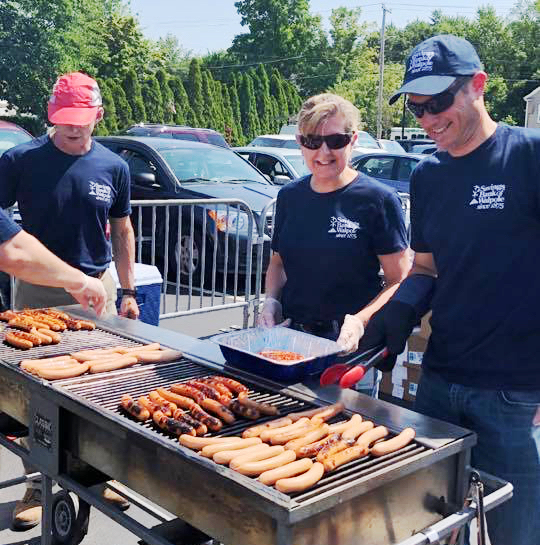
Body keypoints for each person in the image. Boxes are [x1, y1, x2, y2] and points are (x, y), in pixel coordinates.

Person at [349, 35, 540, 545]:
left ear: (478, 86)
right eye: (417, 107)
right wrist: (400, 310)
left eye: (438, 103)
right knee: (430, 527)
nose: (428, 119)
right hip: (439, 380)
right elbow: (427, 266)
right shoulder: (428, 174)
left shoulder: (529, 157)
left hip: (514, 393)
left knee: (514, 533)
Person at [0, 71, 139, 529]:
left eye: (80, 119)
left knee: (98, 388)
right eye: (63, 120)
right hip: (38, 288)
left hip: (98, 288)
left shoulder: (114, 167)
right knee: (34, 391)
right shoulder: (20, 160)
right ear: (50, 116)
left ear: (98, 115)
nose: (72, 128)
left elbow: (121, 230)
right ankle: (35, 485)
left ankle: (94, 476)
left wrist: (129, 289)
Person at [259, 93, 410, 395]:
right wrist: (271, 300)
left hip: (347, 351)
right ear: (300, 142)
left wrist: (361, 321)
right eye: (312, 141)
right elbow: (278, 262)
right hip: (292, 342)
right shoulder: (290, 197)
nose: (323, 152)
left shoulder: (377, 200)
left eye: (336, 141)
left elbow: (399, 278)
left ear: (353, 140)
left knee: (343, 437)